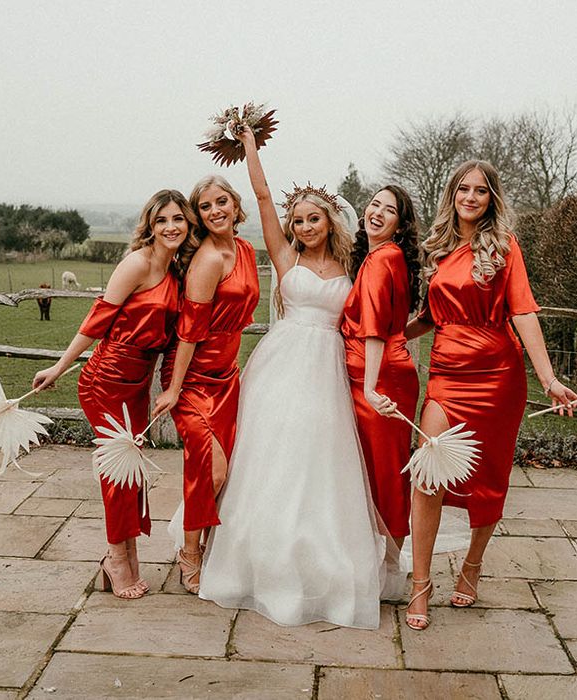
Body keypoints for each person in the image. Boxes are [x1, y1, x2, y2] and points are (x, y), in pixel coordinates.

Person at [194, 126, 403, 629]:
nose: (305, 225)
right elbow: (263, 196)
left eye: (313, 218)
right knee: (270, 452)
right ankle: (258, 557)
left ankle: (320, 558)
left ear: (330, 220)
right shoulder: (284, 256)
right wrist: (248, 147)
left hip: (328, 364)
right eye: (298, 220)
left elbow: (388, 281)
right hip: (282, 359)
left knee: (321, 458)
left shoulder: (357, 261)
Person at [404, 160, 577, 630]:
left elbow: (523, 311)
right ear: (452, 194)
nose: (472, 197)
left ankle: (472, 565)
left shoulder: (504, 247)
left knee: (488, 477)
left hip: (497, 376)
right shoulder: (437, 248)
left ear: (491, 199)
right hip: (445, 373)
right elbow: (429, 315)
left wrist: (547, 378)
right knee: (428, 468)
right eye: (464, 188)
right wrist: (384, 336)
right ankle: (421, 583)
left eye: (481, 191)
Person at [32, 189, 196, 599]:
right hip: (106, 380)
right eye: (162, 221)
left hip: (138, 382)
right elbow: (97, 320)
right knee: (117, 474)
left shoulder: (177, 270)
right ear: (150, 226)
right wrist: (59, 366)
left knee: (132, 472)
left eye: (178, 219)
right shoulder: (136, 264)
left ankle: (128, 554)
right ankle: (115, 558)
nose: (171, 227)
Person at [152, 175, 260, 595]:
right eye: (206, 206)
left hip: (227, 377)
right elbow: (189, 333)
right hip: (192, 378)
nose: (215, 211)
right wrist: (175, 388)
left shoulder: (246, 250)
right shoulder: (209, 259)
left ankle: (210, 545)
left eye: (222, 202)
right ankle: (190, 554)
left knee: (224, 472)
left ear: (235, 204)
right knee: (209, 471)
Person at [341, 185, 421, 545]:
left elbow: (373, 329)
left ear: (400, 226)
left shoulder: (379, 260)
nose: (377, 212)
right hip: (390, 369)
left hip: (375, 377)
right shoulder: (392, 257)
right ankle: (387, 558)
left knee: (380, 472)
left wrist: (371, 389)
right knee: (388, 468)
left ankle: (386, 562)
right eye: (374, 204)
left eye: (389, 210)